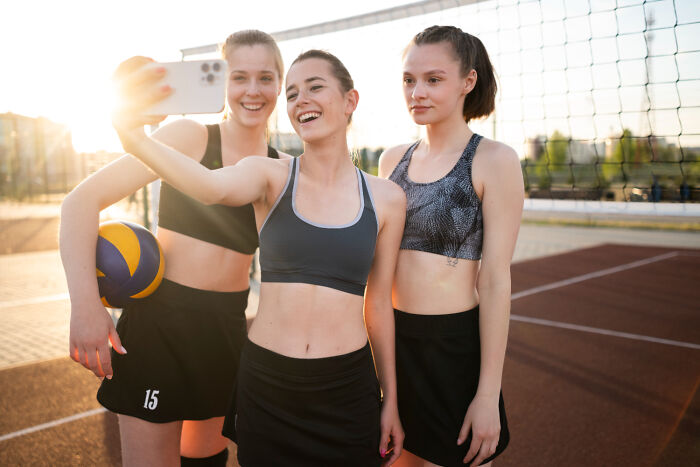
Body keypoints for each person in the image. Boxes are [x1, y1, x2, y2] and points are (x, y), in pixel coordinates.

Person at [110, 49, 406, 466]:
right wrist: (135, 140)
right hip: (268, 386)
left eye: (316, 87)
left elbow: (378, 305)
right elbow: (210, 188)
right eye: (292, 93)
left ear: (349, 101)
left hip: (346, 388)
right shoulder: (269, 174)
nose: (301, 99)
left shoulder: (388, 199)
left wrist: (390, 398)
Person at [60, 30, 289, 466]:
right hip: (161, 328)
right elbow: (79, 203)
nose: (253, 90)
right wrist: (85, 305)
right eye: (240, 77)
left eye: (266, 77)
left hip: (225, 331)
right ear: (222, 81)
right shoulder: (190, 136)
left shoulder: (281, 168)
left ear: (280, 83)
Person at [378, 25, 524, 467]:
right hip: (395, 349)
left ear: (468, 82)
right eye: (409, 79)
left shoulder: (494, 160)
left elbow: (496, 280)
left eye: (433, 79)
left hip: (455, 353)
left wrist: (487, 393)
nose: (417, 92)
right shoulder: (391, 160)